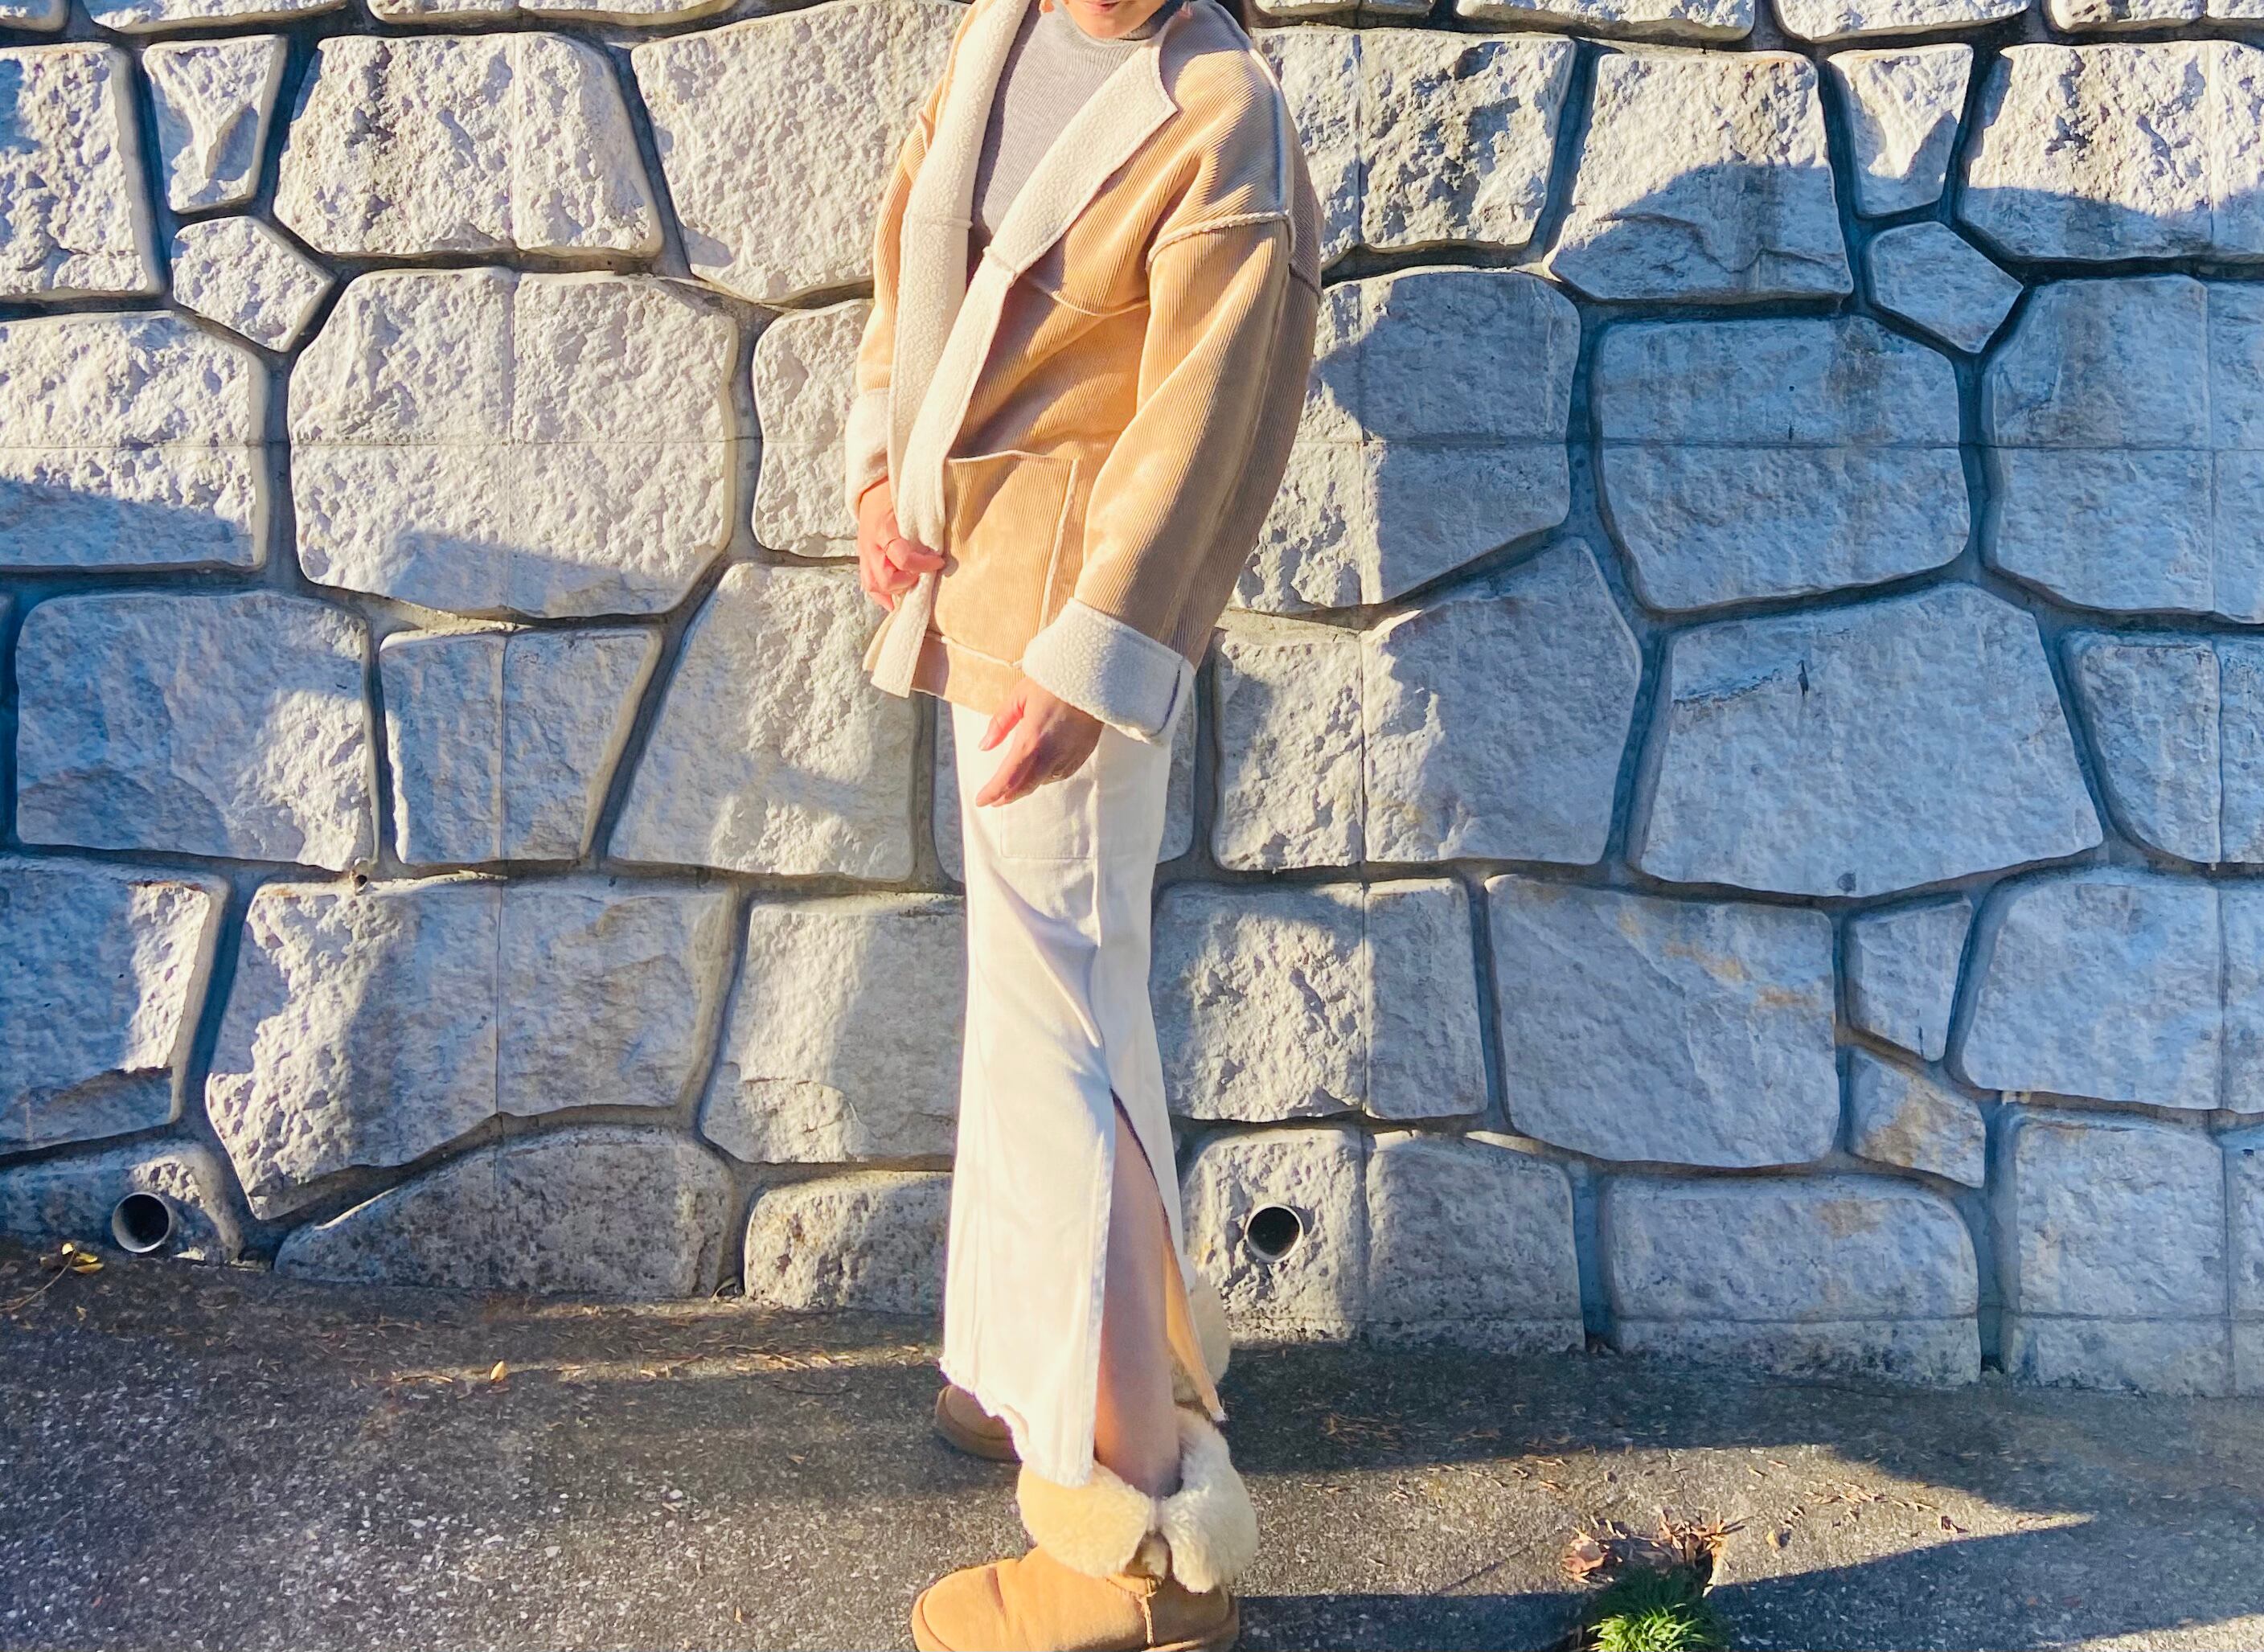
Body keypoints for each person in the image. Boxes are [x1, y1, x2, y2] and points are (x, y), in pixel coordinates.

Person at [842, 0, 1320, 1641]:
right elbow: (912, 249)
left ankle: (1137, 1541)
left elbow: (1208, 419)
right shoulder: (1004, 28)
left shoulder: (1220, 106)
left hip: (1066, 641)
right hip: (973, 592)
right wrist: (877, 473)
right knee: (1043, 1013)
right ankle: (1031, 1376)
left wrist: (1098, 657)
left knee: (1068, 1049)